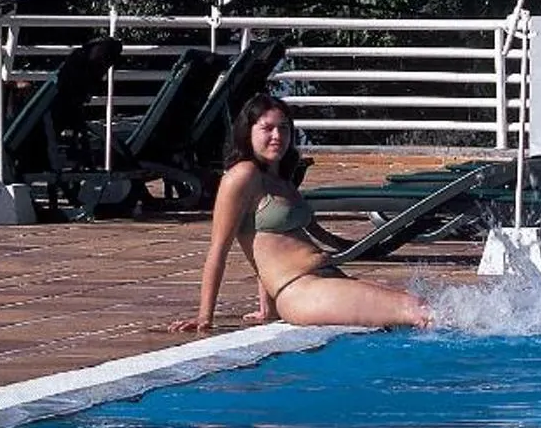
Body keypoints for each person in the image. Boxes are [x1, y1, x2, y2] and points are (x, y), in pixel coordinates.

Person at [170, 94, 431, 333]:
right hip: (301, 289)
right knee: (418, 312)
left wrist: (267, 309)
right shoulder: (242, 176)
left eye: (284, 128)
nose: (277, 136)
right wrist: (205, 316)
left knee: (419, 306)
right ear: (247, 132)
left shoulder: (282, 179)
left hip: (325, 277)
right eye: (267, 128)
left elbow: (270, 240)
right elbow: (219, 250)